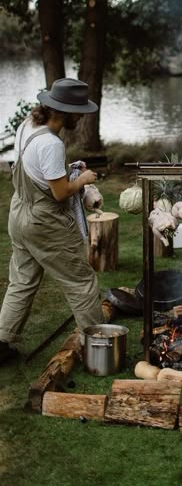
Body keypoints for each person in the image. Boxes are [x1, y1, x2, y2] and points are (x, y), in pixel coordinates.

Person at [0, 78, 104, 365]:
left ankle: (2, 343)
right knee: (80, 281)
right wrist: (83, 179)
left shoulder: (27, 126)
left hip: (19, 213)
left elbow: (36, 173)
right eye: (79, 111)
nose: (82, 117)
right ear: (66, 112)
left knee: (21, 282)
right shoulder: (51, 144)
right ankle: (99, 346)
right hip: (44, 222)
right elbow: (59, 193)